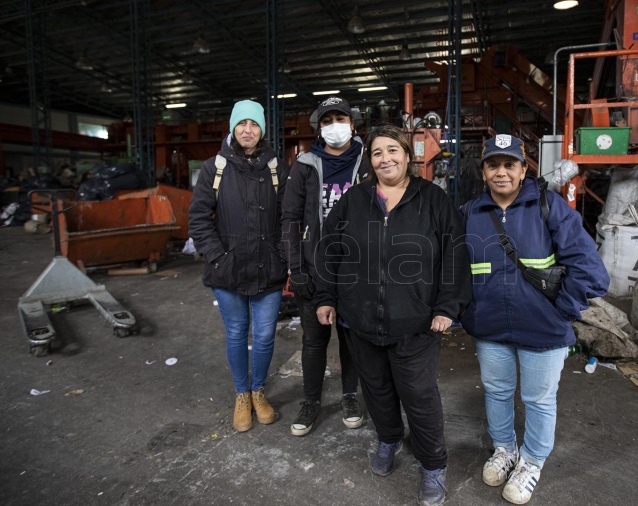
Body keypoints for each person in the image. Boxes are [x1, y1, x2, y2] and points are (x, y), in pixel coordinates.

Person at [314, 125, 472, 506]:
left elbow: (455, 255)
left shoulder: (433, 200)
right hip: (361, 320)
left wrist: (447, 307)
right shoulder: (354, 200)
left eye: (392, 150)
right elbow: (328, 250)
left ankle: (433, 465)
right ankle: (388, 440)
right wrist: (326, 297)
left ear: (407, 154)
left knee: (418, 394)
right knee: (377, 390)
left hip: (416, 323)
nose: (385, 159)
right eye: (377, 153)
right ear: (370, 161)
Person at [461, 135, 608, 505]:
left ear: (524, 169)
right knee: (497, 391)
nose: (501, 172)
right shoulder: (469, 214)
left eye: (510, 164)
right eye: (493, 165)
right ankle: (505, 450)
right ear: (483, 172)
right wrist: (467, 311)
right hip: (490, 328)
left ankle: (531, 461)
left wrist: (562, 310)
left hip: (543, 328)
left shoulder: (549, 206)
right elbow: (453, 270)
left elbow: (590, 269)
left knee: (539, 399)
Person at [188, 100, 289, 433]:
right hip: (227, 268)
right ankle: (241, 394)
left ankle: (258, 391)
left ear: (263, 130)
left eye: (255, 124)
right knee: (235, 334)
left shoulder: (276, 167)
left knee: (262, 336)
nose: (248, 129)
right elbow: (198, 218)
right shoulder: (214, 168)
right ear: (232, 127)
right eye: (242, 123)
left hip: (268, 268)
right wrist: (218, 257)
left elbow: (288, 216)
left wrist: (285, 256)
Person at [281, 96, 368, 436]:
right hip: (315, 267)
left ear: (352, 123)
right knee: (314, 339)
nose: (335, 125)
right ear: (319, 126)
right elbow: (289, 218)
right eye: (328, 119)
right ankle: (311, 400)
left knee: (351, 339)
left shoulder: (367, 160)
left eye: (340, 118)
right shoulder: (304, 165)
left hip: (356, 269)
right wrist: (295, 268)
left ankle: (349, 396)